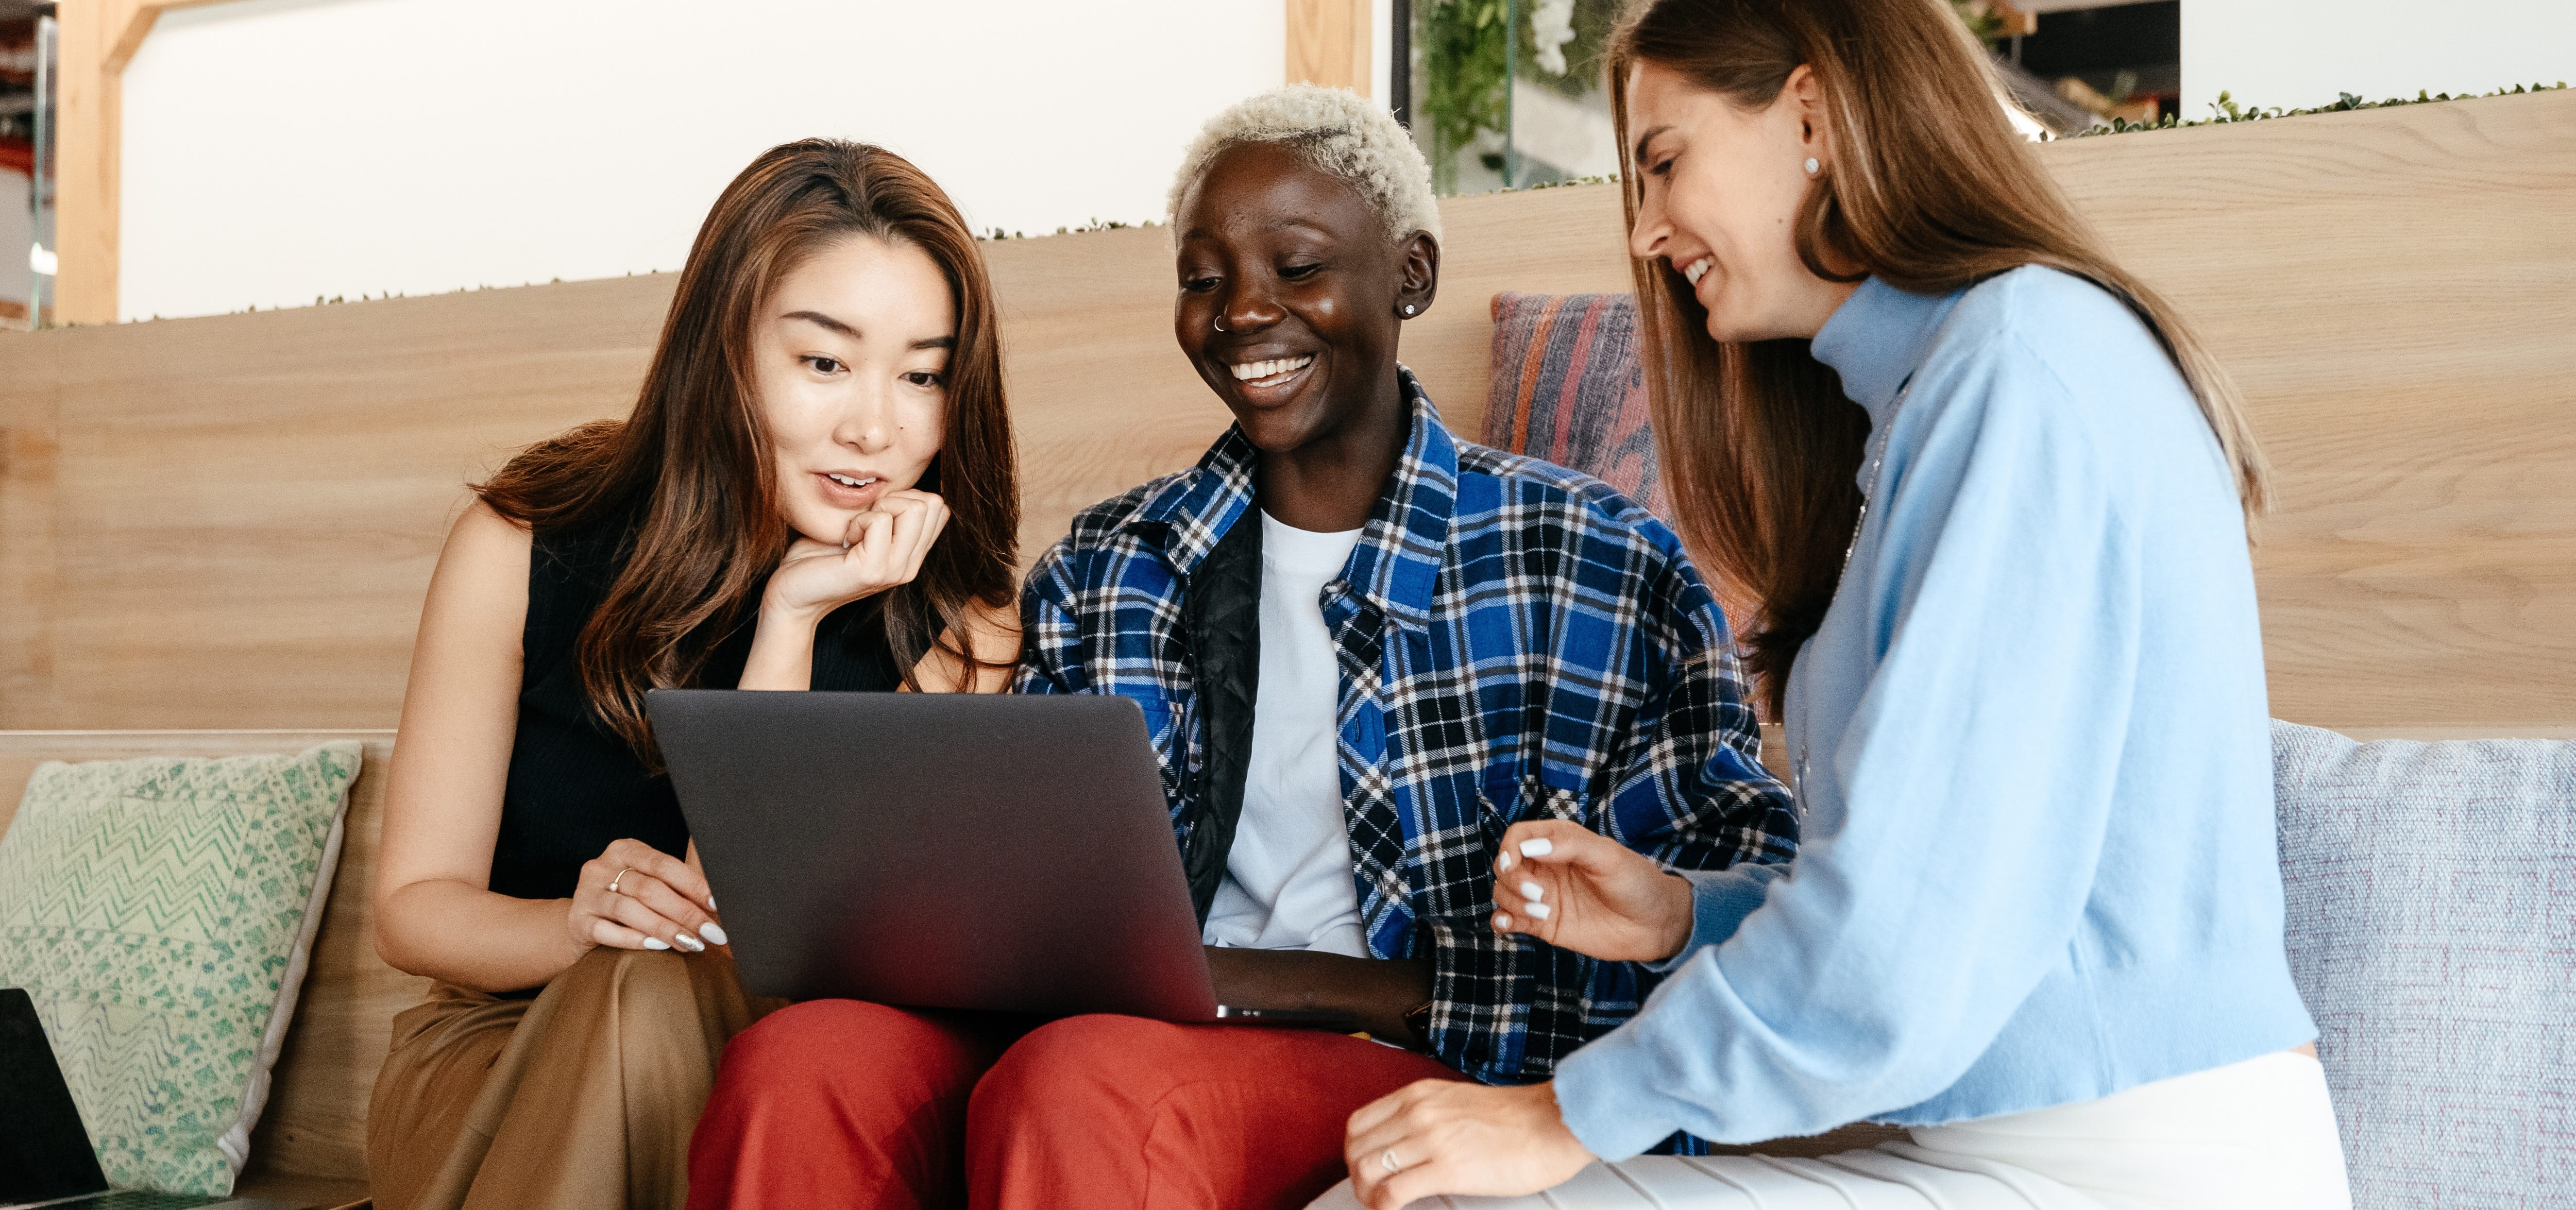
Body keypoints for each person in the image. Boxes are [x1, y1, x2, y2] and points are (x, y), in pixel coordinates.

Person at [682, 86, 1798, 1210]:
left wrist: (1273, 985)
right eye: (1204, 277)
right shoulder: (1108, 564)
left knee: (1086, 1084)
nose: (1242, 312)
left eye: (1297, 267)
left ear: (1409, 275)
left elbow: (1740, 895)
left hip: (1392, 1058)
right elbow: (1027, 899)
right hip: (1106, 1031)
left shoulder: (1594, 563)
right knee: (804, 1063)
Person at [1329, 2, 2353, 1208]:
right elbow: (1961, 883)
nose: (1649, 230)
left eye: (1664, 162)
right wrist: (1682, 914)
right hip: (2008, 1145)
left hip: (2146, 1162)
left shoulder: (2017, 370)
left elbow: (1910, 940)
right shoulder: (1931, 396)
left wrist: (1571, 1112)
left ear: (1811, 113)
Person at [365, 138, 1021, 1210]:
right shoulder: (523, 540)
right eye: (824, 362)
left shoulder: (959, 632)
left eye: (922, 375)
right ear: (725, 350)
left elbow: (734, 924)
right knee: (637, 984)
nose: (874, 425)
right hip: (495, 1056)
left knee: (667, 990)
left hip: (762, 1068)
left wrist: (791, 622)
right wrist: (574, 925)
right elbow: (412, 908)